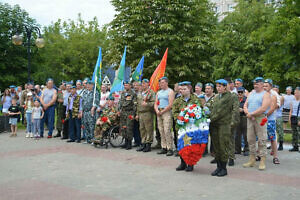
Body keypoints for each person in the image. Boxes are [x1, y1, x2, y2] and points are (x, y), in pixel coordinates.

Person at [243, 77, 271, 171]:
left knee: (262, 139)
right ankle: (252, 159)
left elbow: (263, 108)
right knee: (250, 139)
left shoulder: (266, 94)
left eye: (257, 84)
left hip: (260, 118)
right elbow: (245, 105)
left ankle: (262, 160)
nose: (255, 85)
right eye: (254, 84)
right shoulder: (251, 93)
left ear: (262, 84)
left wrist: (252, 114)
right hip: (250, 118)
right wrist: (247, 113)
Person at [210, 79, 236, 177]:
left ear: (225, 87)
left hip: (224, 125)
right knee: (216, 146)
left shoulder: (230, 97)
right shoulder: (216, 97)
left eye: (220, 86)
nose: (218, 88)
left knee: (223, 146)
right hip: (214, 125)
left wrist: (210, 119)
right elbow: (211, 108)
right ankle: (218, 167)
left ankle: (224, 169)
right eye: (217, 86)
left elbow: (220, 111)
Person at [172, 81, 200, 171]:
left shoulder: (195, 99)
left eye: (184, 89)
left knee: (190, 145)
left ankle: (190, 164)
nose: (182, 91)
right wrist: (180, 119)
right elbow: (174, 112)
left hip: (191, 127)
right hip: (181, 127)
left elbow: (199, 110)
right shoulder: (177, 100)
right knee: (181, 145)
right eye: (181, 89)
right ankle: (183, 163)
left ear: (190, 89)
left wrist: (191, 119)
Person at [155, 77, 175, 156]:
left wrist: (162, 111)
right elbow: (156, 103)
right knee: (161, 130)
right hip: (159, 111)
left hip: (166, 112)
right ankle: (164, 147)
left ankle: (170, 148)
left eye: (162, 83)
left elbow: (170, 104)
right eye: (160, 83)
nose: (161, 84)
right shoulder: (158, 92)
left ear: (166, 83)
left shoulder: (170, 91)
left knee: (167, 130)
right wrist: (157, 110)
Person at [136, 79, 156, 152]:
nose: (143, 85)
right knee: (142, 129)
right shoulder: (140, 93)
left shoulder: (151, 92)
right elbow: (137, 104)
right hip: (140, 113)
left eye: (145, 83)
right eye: (142, 83)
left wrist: (147, 104)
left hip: (147, 113)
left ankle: (148, 144)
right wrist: (137, 114)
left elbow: (154, 102)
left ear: (148, 84)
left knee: (148, 129)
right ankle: (143, 143)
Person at [263, 79, 280, 164]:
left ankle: (275, 157)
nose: (264, 87)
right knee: (261, 138)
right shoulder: (261, 94)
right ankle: (260, 155)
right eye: (264, 86)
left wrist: (265, 116)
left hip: (270, 119)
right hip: (262, 119)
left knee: (272, 138)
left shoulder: (274, 95)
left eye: (266, 86)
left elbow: (273, 108)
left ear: (271, 86)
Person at [118, 81, 137, 150]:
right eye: (125, 85)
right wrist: (118, 110)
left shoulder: (133, 93)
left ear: (130, 86)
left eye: (127, 85)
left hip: (129, 112)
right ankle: (125, 142)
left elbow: (135, 104)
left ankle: (129, 143)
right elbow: (120, 102)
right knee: (124, 127)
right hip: (123, 112)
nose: (125, 86)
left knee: (129, 128)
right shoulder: (123, 93)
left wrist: (134, 114)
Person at [235, 87, 249, 156]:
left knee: (245, 134)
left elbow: (249, 109)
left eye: (241, 92)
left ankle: (246, 149)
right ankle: (237, 149)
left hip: (244, 117)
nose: (240, 93)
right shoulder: (235, 99)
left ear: (244, 93)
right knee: (237, 135)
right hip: (237, 118)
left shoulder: (247, 100)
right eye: (238, 92)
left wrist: (243, 110)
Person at [273, 85, 284, 150]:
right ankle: (273, 144)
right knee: (272, 131)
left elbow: (277, 106)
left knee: (280, 130)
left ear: (278, 90)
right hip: (272, 116)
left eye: (276, 90)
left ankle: (281, 144)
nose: (275, 91)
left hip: (278, 116)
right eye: (273, 90)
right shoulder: (270, 97)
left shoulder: (281, 97)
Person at [289, 87, 300, 152]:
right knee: (294, 132)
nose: (296, 94)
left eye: (297, 93)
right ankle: (295, 146)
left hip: (299, 117)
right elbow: (291, 110)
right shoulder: (292, 101)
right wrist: (289, 118)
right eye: (295, 93)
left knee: (299, 133)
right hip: (293, 117)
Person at [132, 81, 142, 147]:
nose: (135, 87)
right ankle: (136, 141)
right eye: (134, 85)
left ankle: (141, 142)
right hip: (133, 113)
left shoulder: (141, 94)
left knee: (140, 128)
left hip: (140, 113)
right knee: (134, 127)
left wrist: (137, 114)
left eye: (136, 85)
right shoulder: (132, 93)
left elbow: (140, 105)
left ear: (139, 86)